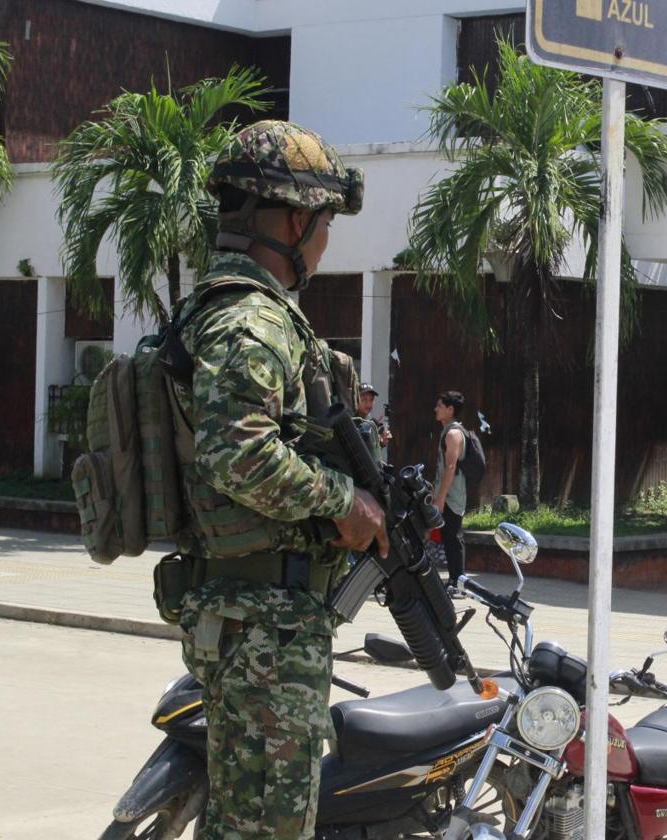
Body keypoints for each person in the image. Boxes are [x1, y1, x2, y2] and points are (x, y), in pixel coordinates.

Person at [173, 120, 387, 840]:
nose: (325, 242)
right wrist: (344, 502)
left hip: (253, 615)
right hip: (266, 622)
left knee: (240, 823)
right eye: (324, 224)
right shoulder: (252, 320)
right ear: (296, 218)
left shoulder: (230, 310)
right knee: (269, 829)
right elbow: (237, 453)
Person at [433, 390, 467, 587]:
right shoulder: (448, 431)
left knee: (453, 537)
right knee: (449, 536)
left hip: (452, 496)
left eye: (440, 406)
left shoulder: (453, 434)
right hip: (448, 494)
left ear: (450, 409)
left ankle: (458, 580)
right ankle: (456, 579)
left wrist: (441, 497)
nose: (435, 409)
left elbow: (451, 467)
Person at [356, 382, 393, 448]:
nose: (368, 403)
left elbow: (373, 453)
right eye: (364, 400)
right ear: (356, 400)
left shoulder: (372, 423)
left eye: (371, 400)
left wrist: (382, 442)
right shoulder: (352, 421)